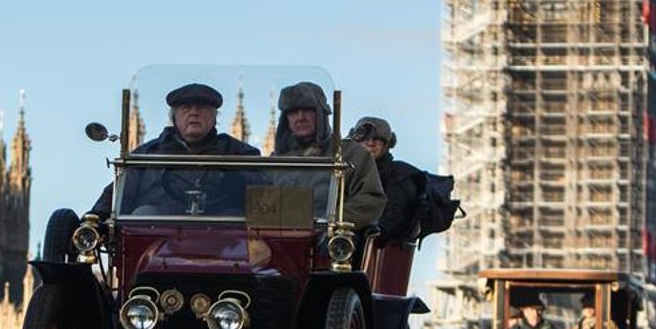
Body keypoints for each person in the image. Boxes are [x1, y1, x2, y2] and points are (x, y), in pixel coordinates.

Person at [90, 83, 259, 217]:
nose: (194, 113)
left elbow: (264, 197)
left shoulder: (240, 153)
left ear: (215, 117)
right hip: (155, 244)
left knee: (233, 217)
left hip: (224, 247)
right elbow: (117, 196)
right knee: (145, 214)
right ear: (174, 116)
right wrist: (95, 219)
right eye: (186, 108)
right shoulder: (146, 155)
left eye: (202, 108)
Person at [271, 82, 385, 231]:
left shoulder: (351, 154)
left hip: (328, 243)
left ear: (321, 113)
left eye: (307, 110)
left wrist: (329, 221)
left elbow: (371, 200)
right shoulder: (275, 161)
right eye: (292, 112)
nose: (300, 117)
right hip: (280, 241)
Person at [347, 116, 422, 245]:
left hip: (376, 246)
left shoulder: (399, 174)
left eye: (377, 139)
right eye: (364, 138)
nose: (370, 143)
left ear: (387, 144)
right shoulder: (343, 171)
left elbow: (396, 214)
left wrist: (374, 232)